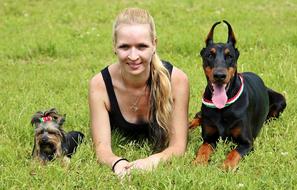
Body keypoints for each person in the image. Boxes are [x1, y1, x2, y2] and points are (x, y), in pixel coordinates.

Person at [89, 7, 189, 177]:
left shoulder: (176, 80)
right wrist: (117, 163)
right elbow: (102, 148)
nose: (133, 56)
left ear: (154, 44)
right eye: (125, 47)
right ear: (114, 46)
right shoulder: (100, 84)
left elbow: (178, 146)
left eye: (141, 46)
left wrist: (151, 162)